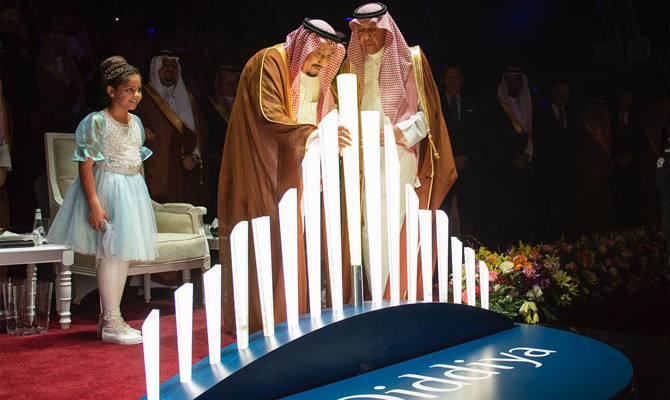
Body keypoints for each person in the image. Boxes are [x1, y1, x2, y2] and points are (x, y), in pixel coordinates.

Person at [218, 19, 346, 334]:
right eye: (318, 54)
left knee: (297, 240)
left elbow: (322, 112)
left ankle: (295, 313)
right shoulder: (270, 61)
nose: (322, 62)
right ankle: (266, 320)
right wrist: (314, 134)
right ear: (303, 44)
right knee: (271, 237)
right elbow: (269, 113)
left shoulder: (316, 73)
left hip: (302, 166)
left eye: (328, 57)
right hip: (265, 164)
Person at [346, 2, 457, 299]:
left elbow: (428, 117)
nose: (366, 38)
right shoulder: (349, 66)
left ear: (387, 30)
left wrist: (397, 132)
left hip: (398, 157)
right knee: (368, 228)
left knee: (394, 225)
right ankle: (377, 297)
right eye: (360, 31)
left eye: (372, 30)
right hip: (362, 159)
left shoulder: (410, 61)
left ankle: (396, 297)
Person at [47, 56, 158, 344]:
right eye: (128, 90)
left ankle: (110, 318)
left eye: (138, 90)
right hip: (108, 187)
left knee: (122, 254)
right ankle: (111, 322)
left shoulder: (136, 122)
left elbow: (135, 160)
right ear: (111, 91)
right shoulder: (97, 121)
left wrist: (140, 201)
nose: (136, 95)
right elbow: (85, 166)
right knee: (110, 254)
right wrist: (95, 204)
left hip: (131, 189)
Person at [133, 52, 208, 207]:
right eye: (165, 64)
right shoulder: (143, 97)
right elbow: (127, 122)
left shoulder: (190, 98)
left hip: (186, 169)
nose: (170, 69)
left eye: (174, 65)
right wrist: (140, 127)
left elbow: (202, 132)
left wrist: (195, 157)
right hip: (158, 170)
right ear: (155, 68)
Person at [480, 67, 533, 249]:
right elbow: (491, 137)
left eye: (517, 80)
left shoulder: (528, 104)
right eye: (509, 79)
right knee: (501, 213)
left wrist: (526, 156)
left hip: (522, 168)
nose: (514, 83)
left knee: (521, 212)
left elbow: (531, 135)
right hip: (500, 169)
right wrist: (512, 158)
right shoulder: (494, 105)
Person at [438, 66, 482, 241]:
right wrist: (450, 159)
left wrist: (465, 157)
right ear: (442, 80)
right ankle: (443, 252)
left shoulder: (472, 103)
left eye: (456, 77)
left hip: (467, 167)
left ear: (462, 80)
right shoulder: (436, 103)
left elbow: (479, 134)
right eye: (449, 77)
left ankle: (469, 249)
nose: (452, 81)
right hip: (444, 167)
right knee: (444, 213)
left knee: (467, 214)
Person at [531, 80, 575, 242]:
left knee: (562, 206)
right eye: (559, 91)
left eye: (565, 92)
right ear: (553, 93)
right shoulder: (541, 114)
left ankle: (561, 238)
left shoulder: (571, 114)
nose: (562, 95)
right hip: (546, 169)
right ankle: (542, 239)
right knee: (543, 206)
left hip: (565, 170)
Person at [564, 98, 612, 239]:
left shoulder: (606, 128)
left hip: (602, 177)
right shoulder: (581, 127)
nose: (599, 112)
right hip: (585, 178)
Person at [201, 67, 240, 224]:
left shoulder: (246, 104)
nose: (230, 86)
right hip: (216, 160)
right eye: (226, 82)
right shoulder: (207, 105)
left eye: (234, 82)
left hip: (240, 159)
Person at [610, 89, 643, 229]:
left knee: (630, 198)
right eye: (623, 100)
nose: (625, 103)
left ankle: (629, 227)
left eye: (628, 101)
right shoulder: (610, 119)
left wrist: (631, 156)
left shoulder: (637, 120)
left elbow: (641, 142)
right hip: (613, 166)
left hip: (631, 166)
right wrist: (615, 158)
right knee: (613, 198)